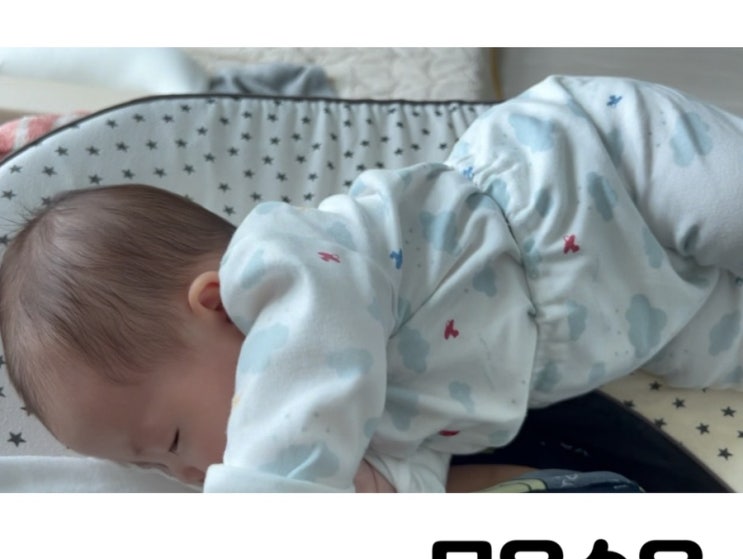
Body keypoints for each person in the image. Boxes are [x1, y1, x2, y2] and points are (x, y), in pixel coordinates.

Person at [1, 74, 741, 492]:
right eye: (156, 467)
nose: (193, 471)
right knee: (713, 354)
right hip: (627, 314)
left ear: (216, 303)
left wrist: (266, 502)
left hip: (584, 168)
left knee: (722, 202)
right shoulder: (348, 430)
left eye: (170, 438)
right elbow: (414, 471)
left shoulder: (290, 268)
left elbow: (308, 353)